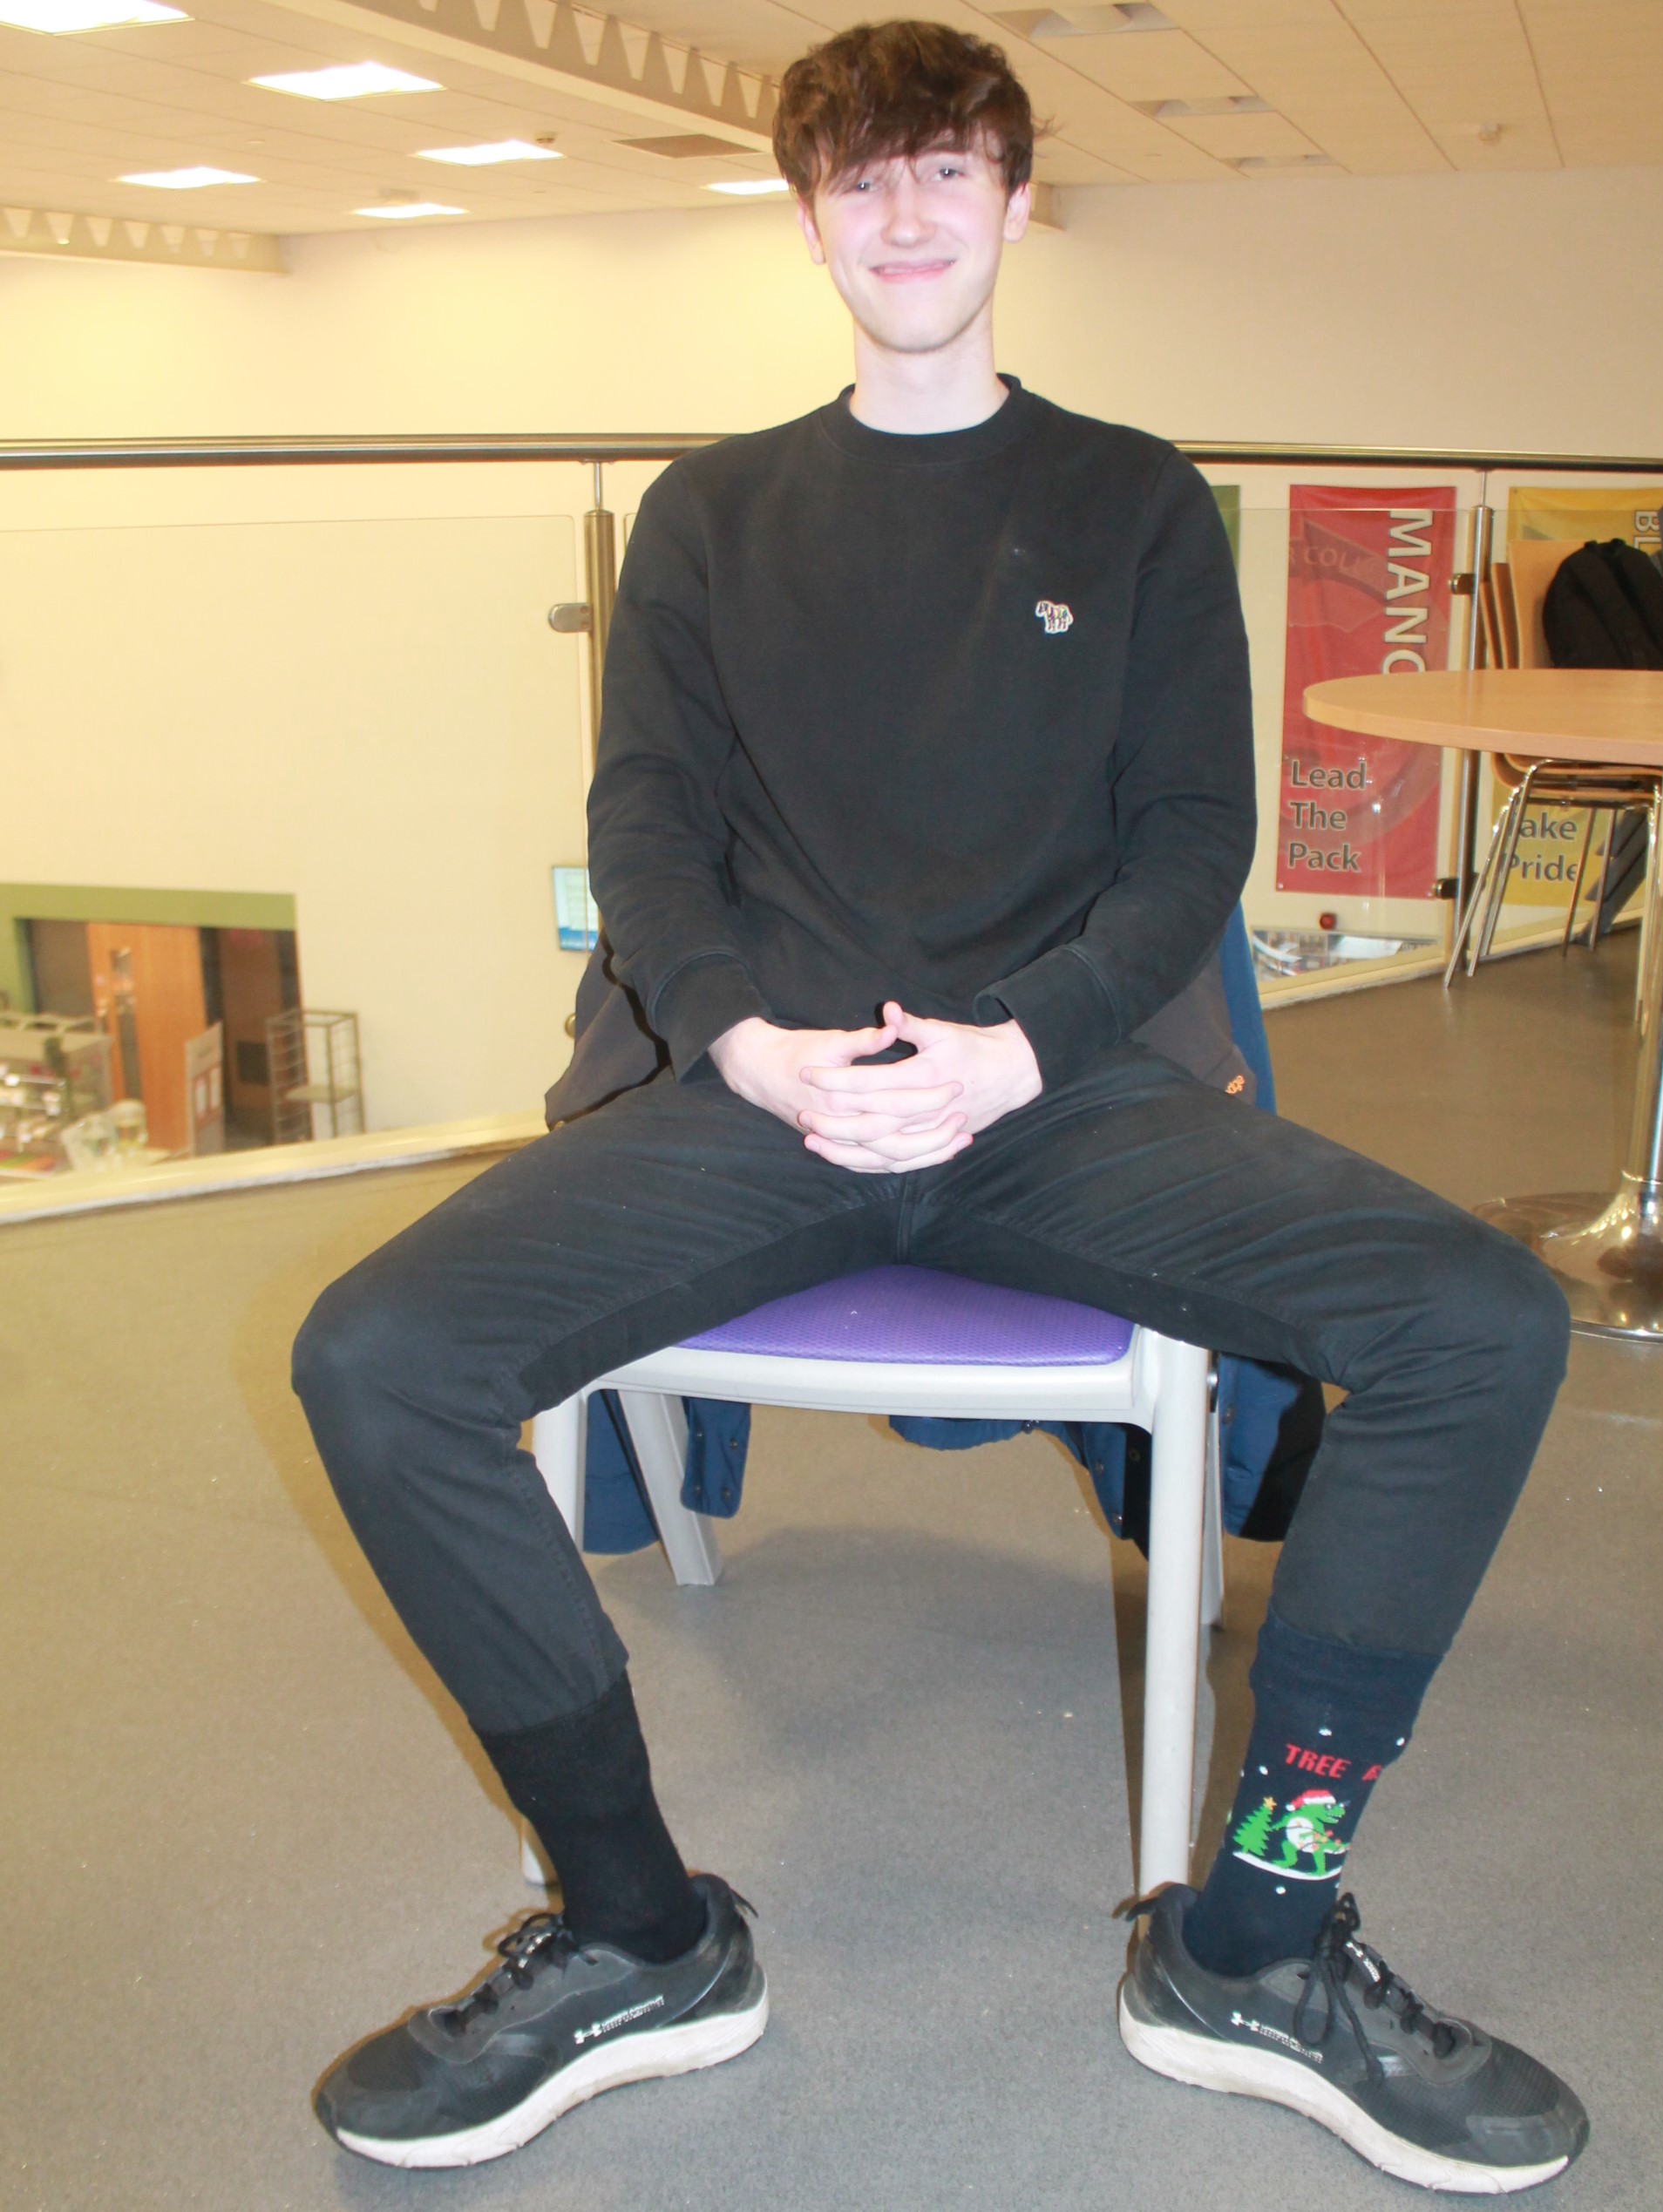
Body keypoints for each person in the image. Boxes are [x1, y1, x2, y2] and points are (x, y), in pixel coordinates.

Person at [292, 20, 1587, 2191]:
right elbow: (647, 831)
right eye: (861, 182)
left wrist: (1022, 1044)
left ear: (1010, 201)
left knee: (1481, 1319)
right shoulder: (710, 514)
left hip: (1055, 1097)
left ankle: (1257, 1942)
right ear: (809, 218)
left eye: (947, 174)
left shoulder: (1133, 498)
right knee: (378, 1358)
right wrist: (736, 1036)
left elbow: (1192, 836)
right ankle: (638, 1932)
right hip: (763, 1098)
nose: (904, 216)